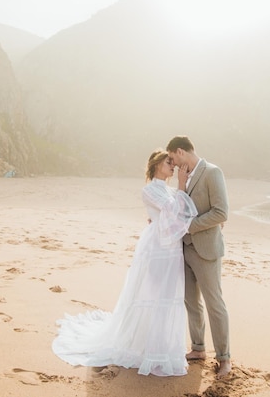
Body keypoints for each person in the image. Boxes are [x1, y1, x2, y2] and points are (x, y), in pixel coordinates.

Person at [52, 149, 197, 376]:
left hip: (172, 248)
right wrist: (181, 184)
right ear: (156, 164)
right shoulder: (149, 190)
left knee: (168, 295)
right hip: (157, 246)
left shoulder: (169, 190)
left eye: (173, 163)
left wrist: (179, 189)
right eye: (168, 162)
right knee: (151, 294)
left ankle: (162, 346)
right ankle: (143, 347)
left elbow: (178, 214)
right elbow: (172, 210)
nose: (173, 166)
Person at [166, 135, 232, 379]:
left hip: (206, 250)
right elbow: (178, 209)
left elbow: (221, 212)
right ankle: (198, 348)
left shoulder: (213, 172)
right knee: (191, 303)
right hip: (183, 250)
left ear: (181, 152)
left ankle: (224, 358)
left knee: (215, 304)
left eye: (172, 159)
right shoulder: (183, 179)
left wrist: (190, 226)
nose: (172, 165)